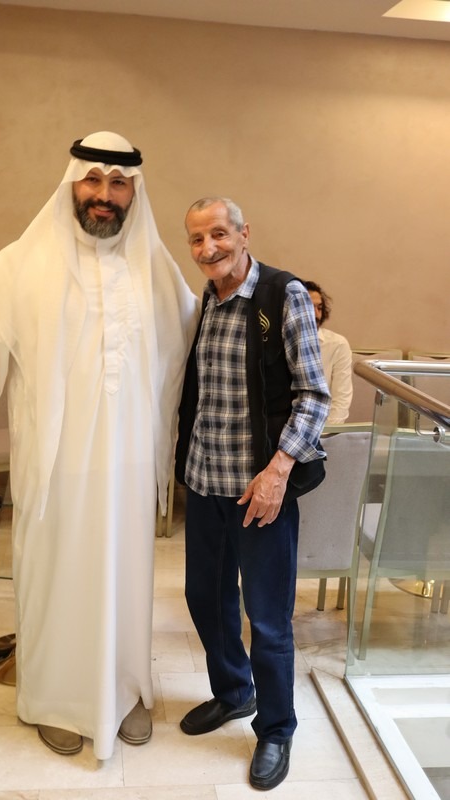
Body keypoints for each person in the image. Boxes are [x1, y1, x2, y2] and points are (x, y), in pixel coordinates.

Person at [0, 131, 198, 760]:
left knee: (127, 578)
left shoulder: (158, 271)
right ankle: (55, 699)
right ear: (72, 184)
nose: (104, 194)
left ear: (134, 193)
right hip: (53, 466)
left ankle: (126, 690)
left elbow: (198, 346)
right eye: (93, 180)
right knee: (55, 579)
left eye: (118, 183)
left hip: (129, 465)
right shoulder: (17, 265)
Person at [175, 198, 330, 791]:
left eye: (218, 233)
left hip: (260, 492)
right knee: (205, 598)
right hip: (205, 482)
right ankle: (234, 692)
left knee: (266, 618)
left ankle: (277, 728)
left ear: (244, 234)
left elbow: (313, 394)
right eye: (196, 239)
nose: (208, 247)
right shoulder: (206, 303)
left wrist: (278, 470)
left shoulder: (281, 295)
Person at [302, 280, 353, 425]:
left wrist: (324, 432)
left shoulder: (337, 345)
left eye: (319, 308)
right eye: (309, 307)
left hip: (323, 429)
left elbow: (341, 400)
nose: (316, 314)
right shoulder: (278, 342)